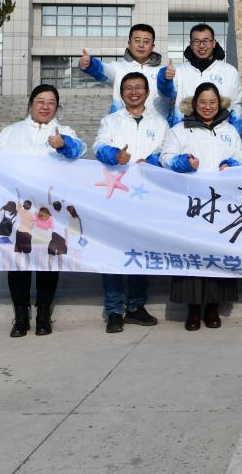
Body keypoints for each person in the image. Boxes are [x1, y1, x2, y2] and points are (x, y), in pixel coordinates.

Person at [0, 84, 85, 338]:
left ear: (57, 107)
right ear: (31, 103)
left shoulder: (65, 132)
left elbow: (80, 151)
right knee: (18, 262)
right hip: (19, 211)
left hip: (48, 213)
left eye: (51, 102)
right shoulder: (11, 132)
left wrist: (63, 144)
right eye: (40, 101)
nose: (45, 106)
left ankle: (43, 314)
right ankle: (21, 316)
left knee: (48, 262)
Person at [161, 81, 242, 331]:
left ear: (219, 104)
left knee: (218, 254)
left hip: (221, 204)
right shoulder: (179, 130)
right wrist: (183, 162)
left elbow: (241, 155)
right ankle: (193, 309)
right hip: (191, 204)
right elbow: (165, 158)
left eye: (212, 102)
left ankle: (213, 307)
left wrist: (232, 163)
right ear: (194, 104)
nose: (207, 107)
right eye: (202, 102)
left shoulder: (229, 130)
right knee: (192, 255)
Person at [92, 72, 167, 333]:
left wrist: (152, 162)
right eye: (128, 88)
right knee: (113, 251)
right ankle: (114, 310)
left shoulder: (160, 122)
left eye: (138, 87)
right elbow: (98, 147)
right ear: (121, 93)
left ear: (147, 92)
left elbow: (165, 151)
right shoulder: (110, 121)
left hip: (146, 196)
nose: (133, 92)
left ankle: (136, 306)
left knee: (139, 251)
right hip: (116, 196)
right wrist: (114, 155)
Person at [78, 22, 177, 121]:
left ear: (152, 46)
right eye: (137, 41)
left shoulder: (165, 72)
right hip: (123, 125)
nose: (141, 45)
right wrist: (90, 63)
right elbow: (103, 70)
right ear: (129, 44)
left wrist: (166, 79)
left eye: (146, 42)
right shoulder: (117, 68)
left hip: (156, 126)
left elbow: (171, 97)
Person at [175, 22, 242, 135]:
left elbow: (237, 107)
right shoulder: (179, 71)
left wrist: (234, 138)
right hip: (186, 134)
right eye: (197, 41)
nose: (202, 45)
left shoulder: (229, 71)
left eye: (206, 41)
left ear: (213, 43)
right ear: (191, 44)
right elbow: (169, 103)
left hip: (219, 134)